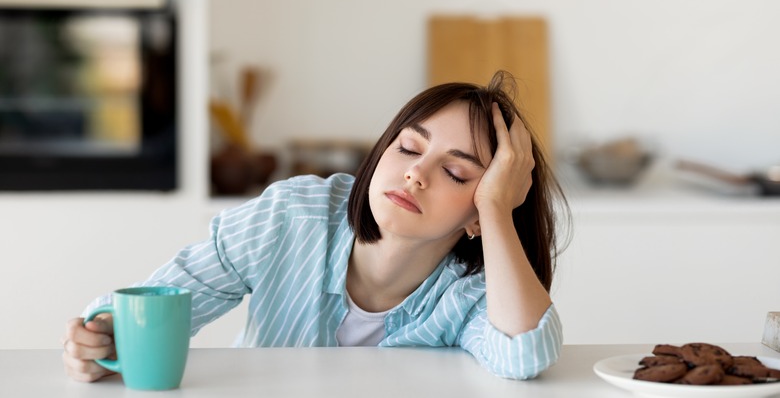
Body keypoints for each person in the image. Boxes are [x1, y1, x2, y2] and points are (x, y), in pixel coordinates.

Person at [62, 70, 570, 381]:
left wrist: (499, 213)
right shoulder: (294, 215)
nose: (416, 173)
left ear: (481, 208)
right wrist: (103, 336)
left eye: (457, 172)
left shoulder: (473, 291)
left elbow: (524, 352)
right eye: (409, 148)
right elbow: (158, 303)